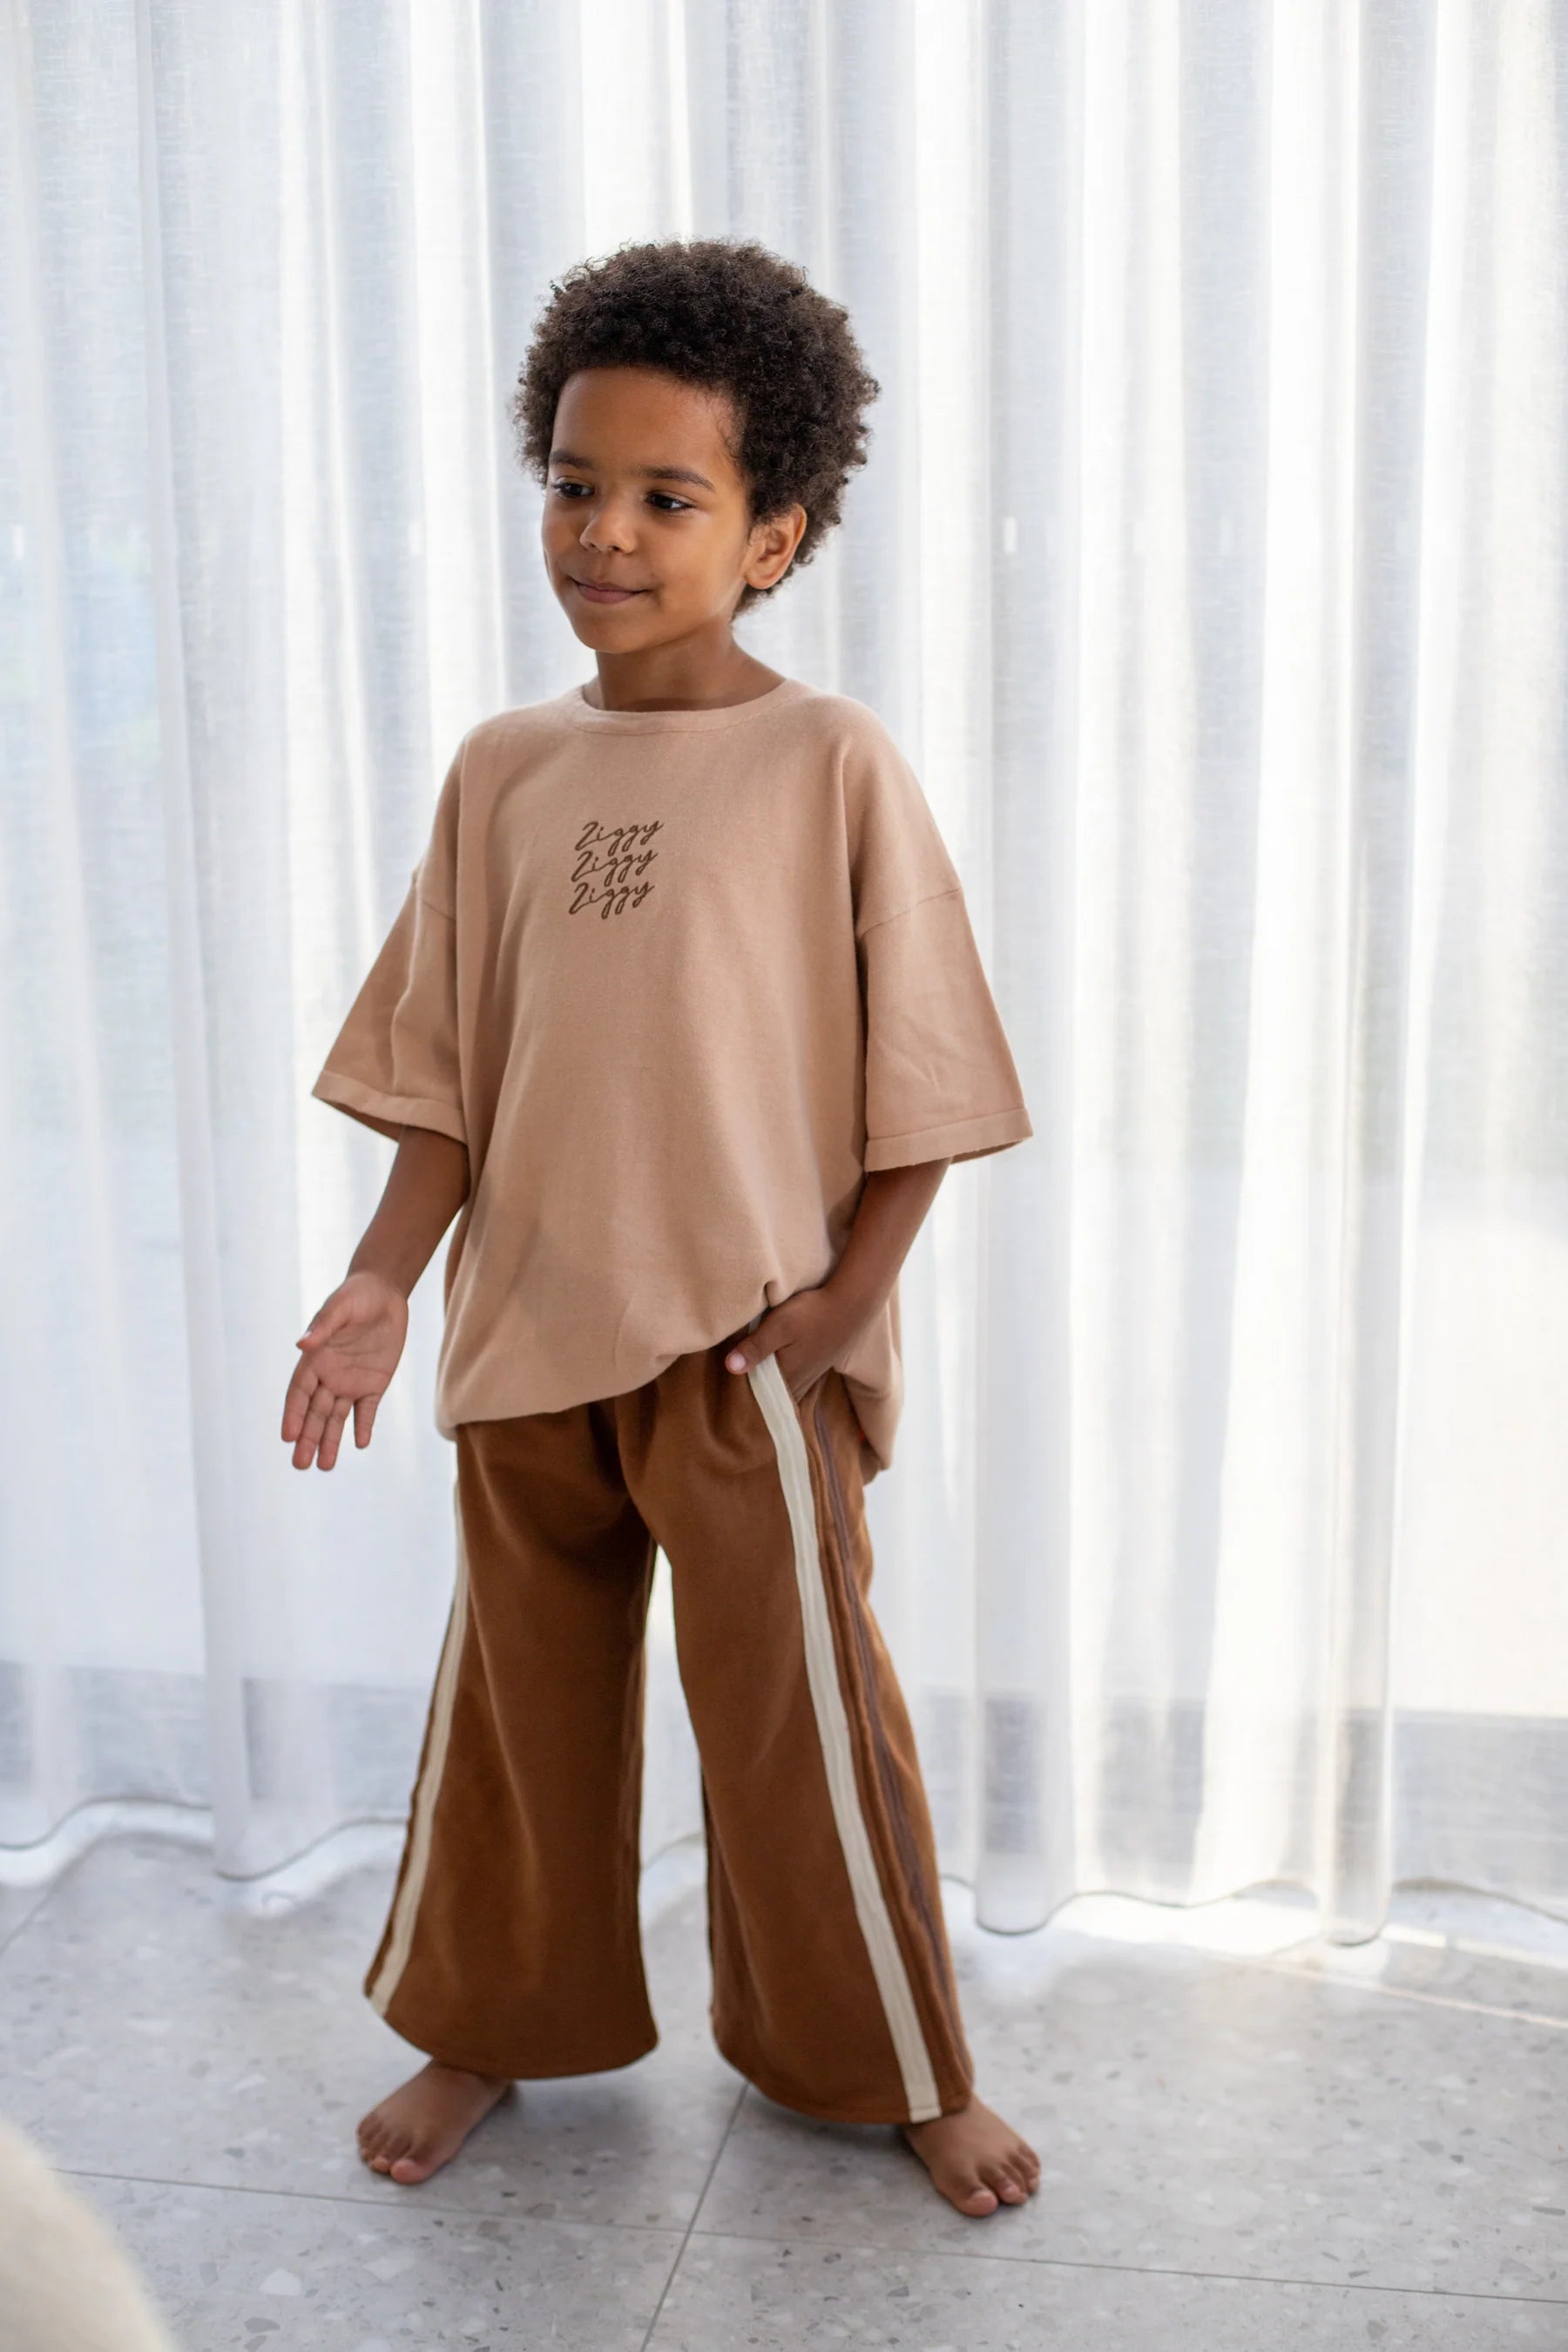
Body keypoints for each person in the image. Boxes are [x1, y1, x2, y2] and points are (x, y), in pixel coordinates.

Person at [282, 237, 1041, 2220]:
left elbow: (930, 1075)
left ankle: (894, 2062)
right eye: (573, 483)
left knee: (801, 1731)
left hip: (743, 1344)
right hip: (528, 1332)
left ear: (774, 536)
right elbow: (448, 1072)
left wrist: (843, 1310)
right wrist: (380, 1280)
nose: (603, 532)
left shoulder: (829, 761)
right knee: (518, 1718)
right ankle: (488, 2022)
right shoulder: (504, 770)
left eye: (666, 497)